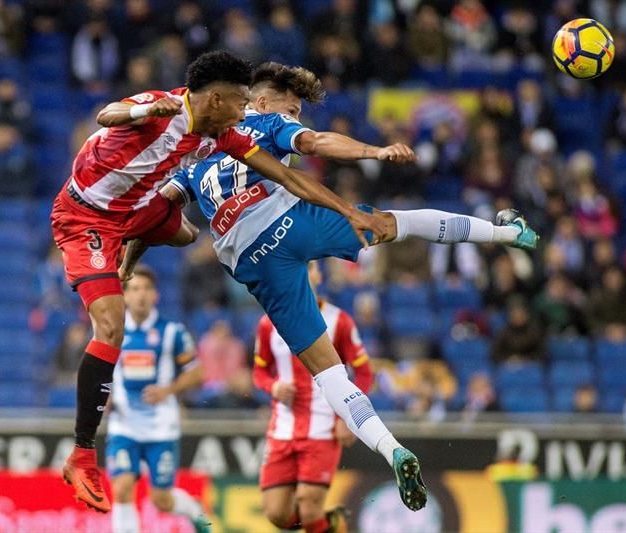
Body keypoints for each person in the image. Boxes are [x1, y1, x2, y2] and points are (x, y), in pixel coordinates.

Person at [121, 62, 539, 511]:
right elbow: (317, 142)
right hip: (287, 221)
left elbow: (151, 215)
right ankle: (506, 234)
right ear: (261, 103)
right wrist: (374, 152)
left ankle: (392, 448)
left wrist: (126, 261)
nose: (296, 116)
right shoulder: (266, 122)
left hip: (251, 261)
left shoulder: (193, 161)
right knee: (392, 223)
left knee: (326, 370)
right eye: (293, 107)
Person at [52, 51, 383, 513]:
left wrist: (347, 210)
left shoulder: (221, 135)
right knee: (111, 326)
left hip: (137, 208)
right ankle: (83, 453)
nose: (245, 109)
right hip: (86, 215)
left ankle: (126, 257)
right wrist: (146, 110)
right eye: (240, 101)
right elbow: (108, 114)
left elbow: (286, 176)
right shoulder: (163, 107)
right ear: (215, 98)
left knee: (186, 232)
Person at [253, 261, 370, 533]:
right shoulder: (268, 322)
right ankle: (331, 525)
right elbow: (259, 373)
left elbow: (364, 372)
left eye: (309, 266)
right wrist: (273, 387)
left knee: (308, 505)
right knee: (277, 514)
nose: (304, 272)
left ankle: (317, 519)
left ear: (318, 275)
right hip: (283, 429)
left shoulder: (339, 321)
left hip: (323, 428)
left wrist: (348, 416)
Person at [105, 265, 209, 533]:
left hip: (160, 426)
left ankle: (193, 509)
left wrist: (168, 391)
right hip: (124, 425)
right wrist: (102, 397)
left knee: (161, 499)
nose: (141, 295)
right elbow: (98, 369)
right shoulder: (111, 330)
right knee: (122, 486)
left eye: (147, 289)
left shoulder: (172, 331)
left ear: (156, 295)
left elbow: (197, 372)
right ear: (125, 295)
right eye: (135, 288)